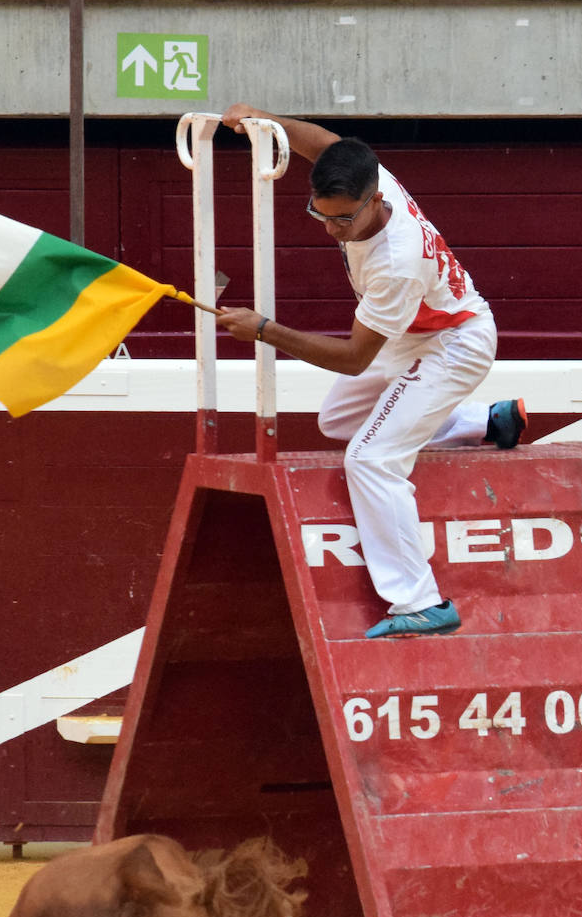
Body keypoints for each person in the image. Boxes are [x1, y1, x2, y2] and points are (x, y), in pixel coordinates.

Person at [216, 104, 527, 639]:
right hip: (410, 335)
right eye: (322, 215)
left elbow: (355, 356)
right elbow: (325, 144)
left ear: (375, 201)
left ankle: (422, 603)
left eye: (345, 219)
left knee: (371, 458)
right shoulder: (365, 173)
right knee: (337, 422)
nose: (334, 230)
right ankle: (485, 421)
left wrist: (266, 330)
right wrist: (264, 123)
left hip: (453, 343)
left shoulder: (396, 263)